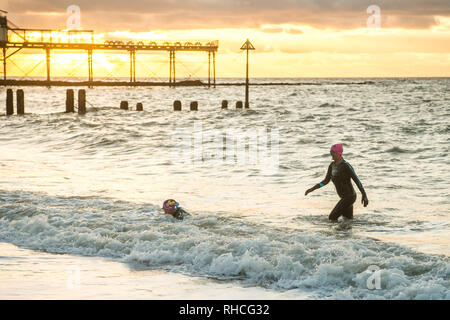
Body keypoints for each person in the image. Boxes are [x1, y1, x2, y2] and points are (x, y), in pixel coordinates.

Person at [304, 144, 369, 221]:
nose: (331, 154)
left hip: (349, 197)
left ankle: (334, 233)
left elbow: (357, 180)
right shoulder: (332, 165)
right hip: (344, 197)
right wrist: (312, 189)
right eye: (330, 152)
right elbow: (326, 181)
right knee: (347, 220)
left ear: (339, 153)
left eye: (333, 152)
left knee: (332, 217)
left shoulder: (346, 165)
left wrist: (364, 195)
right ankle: (342, 233)